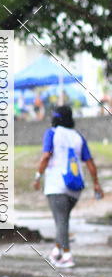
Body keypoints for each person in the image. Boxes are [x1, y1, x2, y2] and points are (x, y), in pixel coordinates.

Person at [34, 105, 103, 268]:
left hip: (57, 185)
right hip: (76, 188)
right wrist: (96, 184)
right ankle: (57, 250)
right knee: (62, 219)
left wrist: (37, 176)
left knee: (61, 221)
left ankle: (67, 256)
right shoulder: (78, 136)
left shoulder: (51, 133)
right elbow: (90, 163)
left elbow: (46, 156)